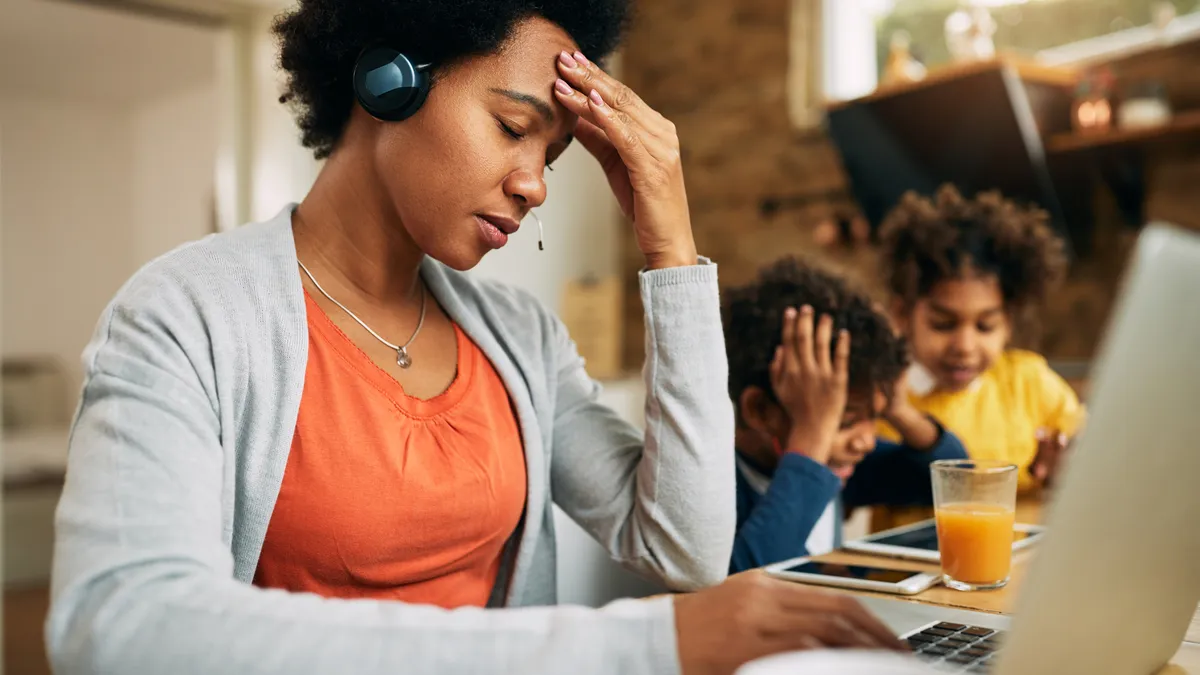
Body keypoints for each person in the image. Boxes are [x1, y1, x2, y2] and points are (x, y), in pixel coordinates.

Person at [46, 2, 906, 673]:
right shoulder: (183, 313)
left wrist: (671, 247)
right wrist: (635, 649)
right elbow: (118, 626)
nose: (534, 185)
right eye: (511, 126)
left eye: (555, 155)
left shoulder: (519, 338)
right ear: (388, 82)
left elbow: (687, 545)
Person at [723, 258, 966, 572]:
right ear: (759, 410)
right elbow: (752, 575)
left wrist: (897, 408)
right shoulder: (720, 489)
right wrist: (813, 440)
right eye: (844, 422)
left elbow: (954, 481)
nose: (865, 440)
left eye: (874, 416)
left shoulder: (838, 463)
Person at [872, 185, 1085, 531]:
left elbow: (1098, 462)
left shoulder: (1029, 382)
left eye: (985, 326)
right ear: (902, 314)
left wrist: (1070, 469)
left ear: (1009, 321)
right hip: (911, 577)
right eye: (943, 324)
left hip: (1020, 574)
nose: (965, 345)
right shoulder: (883, 399)